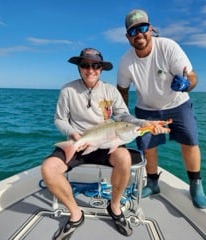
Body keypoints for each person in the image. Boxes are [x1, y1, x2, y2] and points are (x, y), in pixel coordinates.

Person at [41, 48, 169, 239]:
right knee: (48, 169)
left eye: (95, 66)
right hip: (80, 143)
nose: (90, 70)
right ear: (79, 67)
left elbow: (124, 116)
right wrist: (74, 134)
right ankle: (76, 214)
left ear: (101, 69)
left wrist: (145, 124)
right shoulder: (68, 90)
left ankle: (115, 208)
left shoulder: (111, 91)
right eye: (85, 65)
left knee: (124, 159)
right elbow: (60, 120)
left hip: (109, 142)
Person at [117, 9, 206, 210]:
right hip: (146, 108)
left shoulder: (168, 47)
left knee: (190, 142)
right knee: (148, 147)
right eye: (133, 31)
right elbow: (122, 90)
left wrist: (186, 84)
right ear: (127, 37)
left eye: (142, 28)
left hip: (178, 103)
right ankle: (152, 182)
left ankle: (196, 185)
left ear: (150, 29)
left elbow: (192, 77)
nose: (139, 34)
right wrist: (121, 116)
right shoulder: (125, 61)